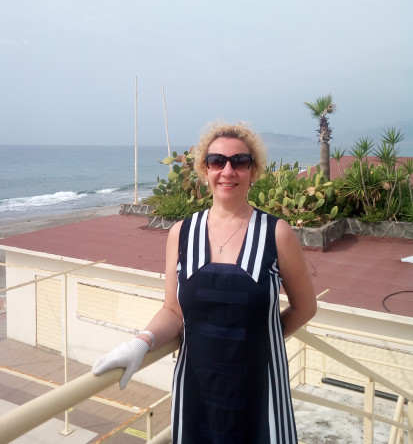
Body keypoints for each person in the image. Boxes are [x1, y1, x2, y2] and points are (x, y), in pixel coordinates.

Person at [92, 122, 317, 444]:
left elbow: (305, 307)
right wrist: (139, 344)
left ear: (253, 171)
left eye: (240, 161)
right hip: (197, 389)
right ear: (205, 169)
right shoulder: (182, 233)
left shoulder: (276, 233)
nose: (228, 170)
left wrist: (257, 340)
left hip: (260, 389)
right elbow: (173, 311)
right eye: (217, 161)